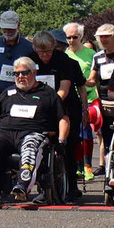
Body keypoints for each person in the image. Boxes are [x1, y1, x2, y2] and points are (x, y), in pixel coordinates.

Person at [0, 57, 69, 204]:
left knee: (30, 145)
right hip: (5, 133)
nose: (20, 77)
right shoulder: (7, 93)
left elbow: (63, 118)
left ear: (34, 72)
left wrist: (61, 140)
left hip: (33, 133)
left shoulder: (48, 93)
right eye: (16, 74)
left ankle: (22, 185)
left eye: (24, 73)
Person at [28, 31, 86, 202]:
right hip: (39, 108)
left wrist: (85, 110)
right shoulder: (30, 60)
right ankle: (43, 188)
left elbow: (64, 89)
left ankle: (72, 188)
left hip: (66, 107)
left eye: (48, 52)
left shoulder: (64, 61)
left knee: (68, 146)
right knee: (39, 145)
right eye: (41, 52)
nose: (45, 56)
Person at [87, 24, 114, 176]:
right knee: (107, 135)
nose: (102, 39)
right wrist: (79, 80)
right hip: (104, 102)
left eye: (106, 36)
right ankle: (110, 167)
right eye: (100, 37)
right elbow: (92, 79)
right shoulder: (98, 57)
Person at [0, 10, 34, 118]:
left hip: (20, 97)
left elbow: (34, 73)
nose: (8, 31)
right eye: (5, 28)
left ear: (18, 26)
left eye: (11, 28)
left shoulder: (29, 47)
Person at [64, 22, 98, 179]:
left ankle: (87, 165)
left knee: (86, 131)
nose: (71, 40)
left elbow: (92, 80)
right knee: (73, 133)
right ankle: (77, 165)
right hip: (71, 98)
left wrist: (80, 80)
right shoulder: (64, 55)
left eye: (74, 37)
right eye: (68, 37)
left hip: (90, 97)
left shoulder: (91, 55)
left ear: (81, 37)